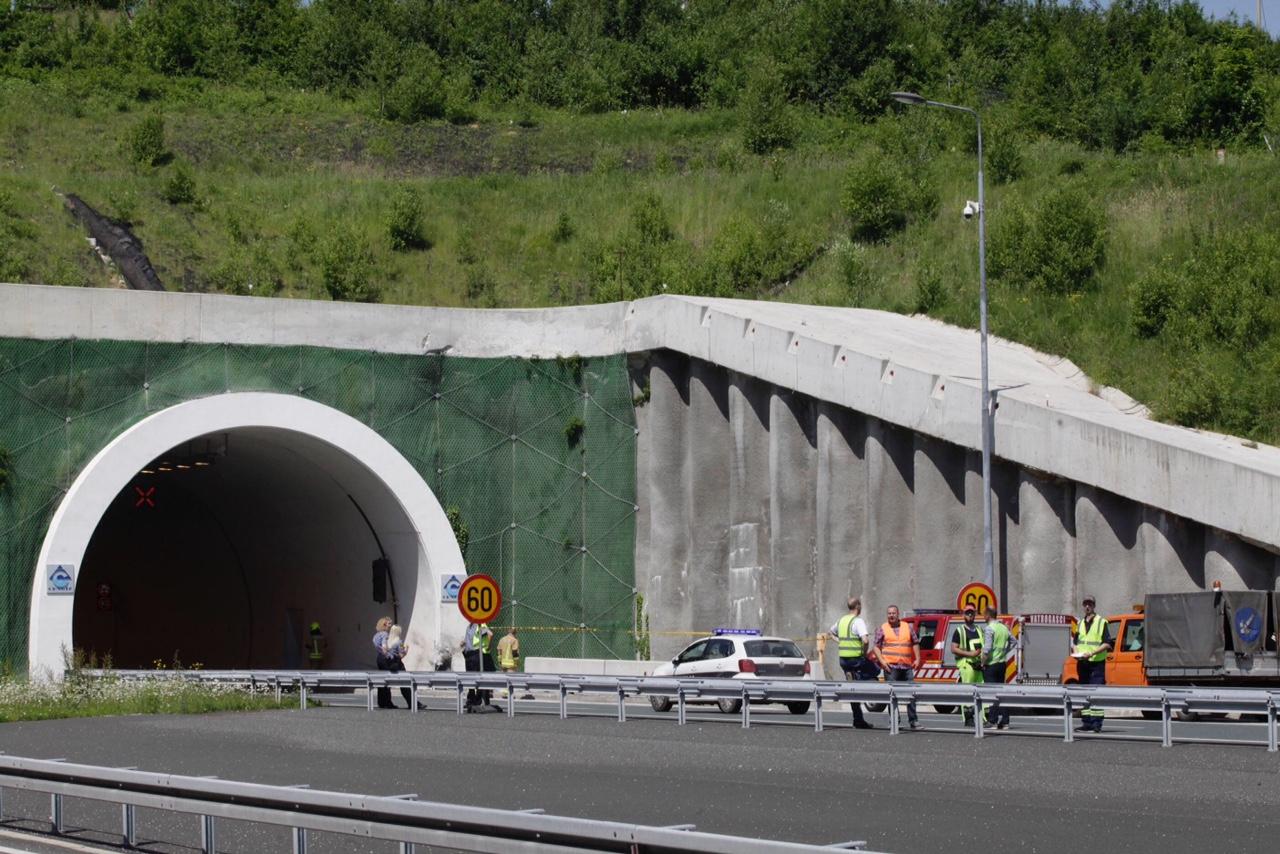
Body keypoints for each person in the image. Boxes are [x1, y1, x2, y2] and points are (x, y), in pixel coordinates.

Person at [872, 605, 924, 731]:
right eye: (889, 613)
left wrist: (917, 659)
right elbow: (876, 647)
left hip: (906, 666)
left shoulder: (907, 627)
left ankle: (913, 721)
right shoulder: (883, 628)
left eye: (893, 613)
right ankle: (894, 720)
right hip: (891, 667)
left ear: (898, 614)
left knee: (911, 694)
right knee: (892, 695)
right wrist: (883, 662)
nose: (891, 615)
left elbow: (915, 642)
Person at [828, 597, 875, 729]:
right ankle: (862, 684)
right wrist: (864, 653)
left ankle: (858, 719)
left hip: (844, 660)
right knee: (875, 670)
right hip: (856, 659)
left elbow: (830, 632)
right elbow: (865, 641)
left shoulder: (841, 620)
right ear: (858, 606)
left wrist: (840, 642)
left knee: (853, 688)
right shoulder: (858, 621)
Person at [1073, 594, 1113, 733]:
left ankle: (1096, 724)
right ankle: (1087, 723)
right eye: (1085, 604)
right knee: (1084, 693)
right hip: (1082, 663)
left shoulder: (1102, 622)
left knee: (1095, 693)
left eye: (1090, 604)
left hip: (1096, 663)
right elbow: (1075, 643)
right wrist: (1076, 652)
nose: (1087, 606)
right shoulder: (1079, 623)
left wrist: (1092, 653)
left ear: (1094, 606)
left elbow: (1107, 643)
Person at [980, 606, 1013, 729]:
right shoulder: (1003, 627)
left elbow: (987, 649)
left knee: (992, 693)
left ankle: (992, 721)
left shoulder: (989, 629)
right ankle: (1005, 721)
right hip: (1002, 664)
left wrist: (982, 662)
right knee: (1001, 692)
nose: (983, 617)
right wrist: (1004, 651)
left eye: (984, 614)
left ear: (988, 615)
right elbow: (1014, 641)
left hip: (992, 664)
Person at [949, 606, 984, 724]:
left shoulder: (979, 629)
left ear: (975, 615)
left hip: (979, 666)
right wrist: (970, 654)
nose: (970, 615)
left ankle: (983, 718)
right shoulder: (959, 630)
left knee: (983, 693)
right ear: (963, 615)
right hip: (966, 665)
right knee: (968, 692)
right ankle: (968, 718)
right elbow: (953, 649)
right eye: (967, 613)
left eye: (972, 613)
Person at [372, 616, 415, 710]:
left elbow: (379, 647)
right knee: (399, 681)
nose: (390, 626)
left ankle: (383, 702)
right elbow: (388, 649)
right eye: (389, 624)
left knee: (383, 681)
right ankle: (409, 702)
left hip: (380, 659)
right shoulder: (388, 636)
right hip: (389, 659)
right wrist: (388, 653)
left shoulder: (377, 635)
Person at [461, 622, 494, 712]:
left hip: (477, 654)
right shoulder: (469, 626)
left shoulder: (480, 624)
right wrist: (463, 644)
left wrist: (489, 647)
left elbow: (490, 634)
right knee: (470, 678)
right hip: (469, 654)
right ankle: (471, 699)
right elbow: (468, 639)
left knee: (478, 679)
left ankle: (479, 700)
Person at [497, 627, 520, 699]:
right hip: (511, 663)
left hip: (503, 662)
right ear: (515, 633)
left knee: (505, 678)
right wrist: (516, 662)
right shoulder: (514, 640)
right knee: (511, 680)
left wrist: (500, 661)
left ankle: (505, 693)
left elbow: (499, 651)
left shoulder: (502, 639)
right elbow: (514, 652)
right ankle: (509, 694)